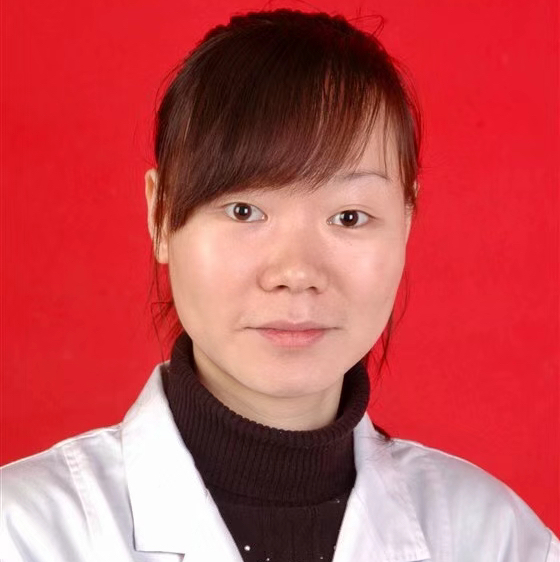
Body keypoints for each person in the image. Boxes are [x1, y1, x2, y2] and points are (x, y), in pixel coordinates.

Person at [1, 8, 558, 562]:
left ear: (406, 221)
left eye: (348, 217)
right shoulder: (23, 534)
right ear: (161, 215)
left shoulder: (494, 538)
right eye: (244, 210)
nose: (296, 273)